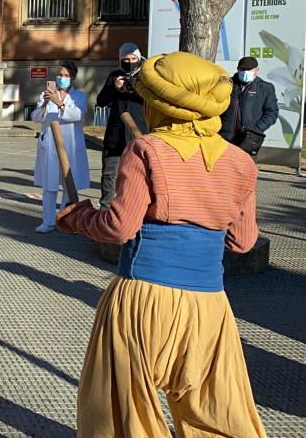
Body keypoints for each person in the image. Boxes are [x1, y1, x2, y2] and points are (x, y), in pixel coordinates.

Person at [57, 51, 266, 438]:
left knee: (123, 410)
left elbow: (119, 227)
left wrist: (75, 217)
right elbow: (243, 241)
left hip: (143, 300)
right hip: (209, 307)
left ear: (162, 105)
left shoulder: (147, 150)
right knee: (216, 411)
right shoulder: (241, 163)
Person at [32, 61, 88, 233]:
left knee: (68, 184)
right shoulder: (46, 95)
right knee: (49, 185)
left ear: (72, 78)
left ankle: (63, 218)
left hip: (70, 144)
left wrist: (60, 104)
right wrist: (44, 104)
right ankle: (48, 221)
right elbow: (35, 117)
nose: (62, 79)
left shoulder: (79, 96)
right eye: (60, 75)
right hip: (50, 145)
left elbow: (77, 115)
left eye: (66, 76)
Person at [95, 42, 148, 208]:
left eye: (133, 58)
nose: (130, 61)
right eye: (126, 59)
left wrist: (137, 88)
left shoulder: (146, 77)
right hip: (115, 136)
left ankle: (135, 207)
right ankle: (106, 208)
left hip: (140, 133)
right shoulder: (115, 75)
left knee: (138, 173)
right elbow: (101, 101)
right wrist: (115, 88)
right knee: (110, 173)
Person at [219, 56, 279, 160]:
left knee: (245, 171)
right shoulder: (228, 85)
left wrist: (256, 129)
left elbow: (272, 112)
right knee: (224, 171)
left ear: (257, 70)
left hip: (248, 140)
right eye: (242, 69)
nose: (245, 72)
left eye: (249, 70)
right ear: (238, 69)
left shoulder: (265, 88)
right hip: (225, 138)